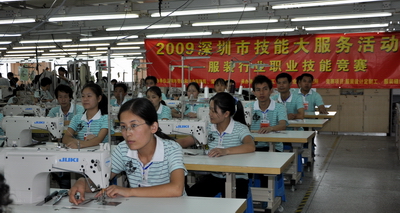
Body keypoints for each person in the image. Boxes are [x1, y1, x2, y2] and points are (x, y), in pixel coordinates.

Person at [68, 98, 187, 205]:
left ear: (153, 127)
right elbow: (102, 178)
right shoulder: (123, 149)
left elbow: (176, 188)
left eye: (134, 125)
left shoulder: (172, 149)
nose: (127, 133)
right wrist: (82, 182)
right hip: (138, 206)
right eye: (123, 127)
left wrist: (129, 191)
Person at [177, 92, 255, 198]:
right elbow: (188, 141)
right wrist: (166, 143)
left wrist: (225, 151)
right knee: (190, 197)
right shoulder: (208, 128)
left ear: (226, 114)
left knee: (233, 204)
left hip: (237, 178)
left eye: (214, 111)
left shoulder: (240, 128)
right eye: (210, 109)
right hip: (214, 176)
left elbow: (250, 146)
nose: (210, 113)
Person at [245, 75, 288, 152]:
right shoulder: (248, 107)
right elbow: (242, 126)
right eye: (258, 90)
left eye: (265, 89)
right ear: (253, 92)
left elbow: (283, 125)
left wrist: (270, 128)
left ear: (270, 91)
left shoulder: (279, 107)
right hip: (253, 146)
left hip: (275, 147)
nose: (261, 93)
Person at [62, 83, 113, 149]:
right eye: (83, 96)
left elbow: (98, 140)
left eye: (89, 96)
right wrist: (83, 143)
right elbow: (65, 138)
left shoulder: (106, 119)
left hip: (99, 154)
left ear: (99, 98)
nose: (85, 99)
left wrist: (79, 144)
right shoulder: (76, 118)